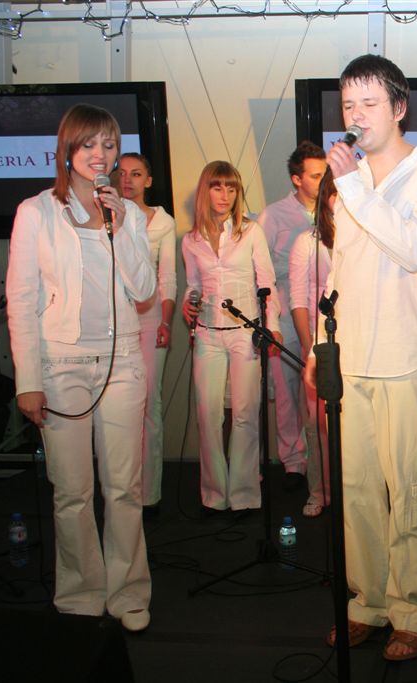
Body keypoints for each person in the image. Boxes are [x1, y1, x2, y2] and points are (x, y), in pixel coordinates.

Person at [305, 54, 417, 662]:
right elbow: (340, 271)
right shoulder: (349, 186)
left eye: (369, 104)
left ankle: (416, 610)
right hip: (353, 356)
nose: (355, 116)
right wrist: (325, 344)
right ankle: (365, 603)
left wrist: (354, 187)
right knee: (358, 494)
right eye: (348, 105)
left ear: (399, 108)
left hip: (409, 356)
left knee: (413, 490)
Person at [6, 104, 155, 631]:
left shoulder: (129, 213)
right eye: (89, 144)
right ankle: (80, 591)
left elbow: (143, 290)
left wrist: (122, 224)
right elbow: (21, 300)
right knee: (71, 490)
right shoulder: (37, 211)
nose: (101, 155)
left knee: (124, 487)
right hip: (61, 364)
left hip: (122, 366)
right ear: (68, 151)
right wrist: (28, 382)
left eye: (109, 145)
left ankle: (129, 592)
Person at [182, 161, 281, 513]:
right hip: (207, 335)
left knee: (244, 413)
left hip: (245, 332)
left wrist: (272, 324)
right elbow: (193, 285)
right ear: (205, 190)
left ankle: (243, 494)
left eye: (231, 188)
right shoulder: (190, 240)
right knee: (208, 415)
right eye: (218, 187)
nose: (225, 195)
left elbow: (266, 281)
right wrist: (188, 303)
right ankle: (213, 495)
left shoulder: (250, 232)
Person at [257, 142, 327, 490]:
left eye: (326, 173)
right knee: (286, 390)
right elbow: (261, 270)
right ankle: (293, 462)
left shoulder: (337, 211)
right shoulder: (274, 214)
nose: (323, 180)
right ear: (297, 179)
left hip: (327, 311)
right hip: (286, 309)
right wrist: (271, 319)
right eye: (316, 175)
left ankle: (323, 460)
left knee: (321, 390)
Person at [118, 153, 176, 516]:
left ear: (148, 181)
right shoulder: (101, 216)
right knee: (120, 410)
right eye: (122, 174)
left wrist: (166, 322)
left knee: (149, 405)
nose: (128, 180)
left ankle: (149, 494)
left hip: (151, 318)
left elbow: (167, 276)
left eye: (136, 174)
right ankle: (121, 492)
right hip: (113, 324)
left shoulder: (163, 222)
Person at [288, 169, 336, 518]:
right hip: (320, 342)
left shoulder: (363, 239)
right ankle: (319, 491)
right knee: (318, 424)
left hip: (358, 342)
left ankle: (353, 493)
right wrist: (311, 348)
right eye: (335, 193)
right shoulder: (308, 240)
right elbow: (299, 300)